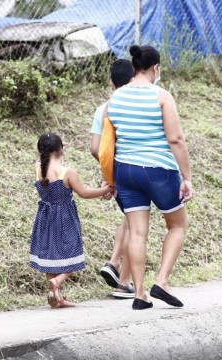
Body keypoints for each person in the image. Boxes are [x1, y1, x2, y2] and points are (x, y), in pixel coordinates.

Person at [107, 45, 194, 310]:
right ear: (156, 68)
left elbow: (111, 139)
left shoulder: (116, 97)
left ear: (133, 68)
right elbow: (176, 139)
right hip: (158, 170)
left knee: (137, 233)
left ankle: (140, 293)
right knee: (177, 225)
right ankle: (163, 281)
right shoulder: (161, 96)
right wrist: (187, 176)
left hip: (125, 171)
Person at [30, 132, 111, 308]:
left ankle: (56, 298)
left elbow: (44, 159)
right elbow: (85, 193)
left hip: (44, 219)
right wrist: (106, 189)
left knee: (50, 258)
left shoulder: (38, 169)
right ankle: (57, 281)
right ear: (61, 150)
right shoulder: (67, 172)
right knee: (73, 255)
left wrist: (58, 149)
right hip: (64, 218)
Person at [90, 59, 136, 299]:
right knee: (136, 225)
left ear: (110, 82)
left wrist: (107, 176)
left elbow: (96, 147)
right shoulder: (132, 106)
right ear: (133, 80)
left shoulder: (103, 109)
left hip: (113, 172)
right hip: (133, 170)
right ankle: (124, 282)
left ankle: (114, 262)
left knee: (129, 220)